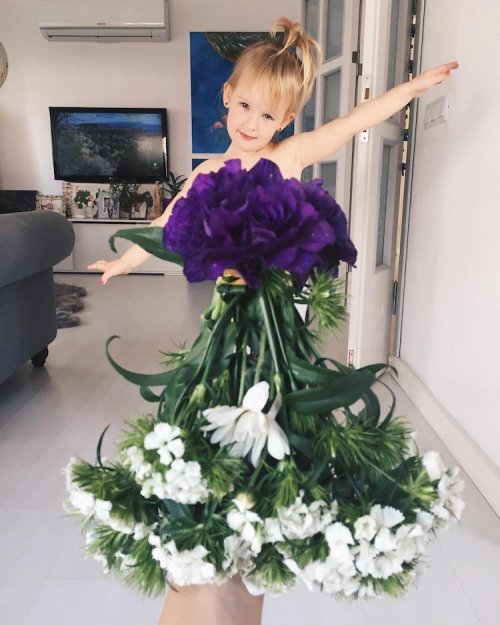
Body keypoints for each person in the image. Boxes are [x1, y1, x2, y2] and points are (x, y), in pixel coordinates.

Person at [86, 17, 459, 625]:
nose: (251, 123)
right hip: (227, 323)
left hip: (278, 325)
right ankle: (208, 525)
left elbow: (350, 124)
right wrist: (123, 260)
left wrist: (409, 90)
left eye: (267, 115)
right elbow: (165, 222)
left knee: (276, 418)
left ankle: (262, 525)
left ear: (284, 121)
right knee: (217, 409)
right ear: (227, 96)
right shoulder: (208, 173)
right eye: (244, 106)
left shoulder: (289, 157)